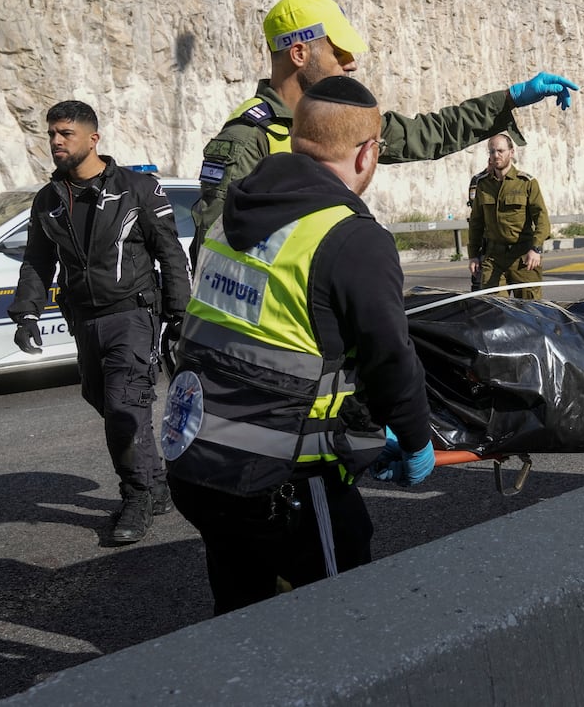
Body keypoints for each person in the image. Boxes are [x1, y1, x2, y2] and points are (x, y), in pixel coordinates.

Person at [161, 76, 435, 614]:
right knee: (332, 628)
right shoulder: (350, 236)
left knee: (242, 614)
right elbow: (391, 359)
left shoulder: (230, 214)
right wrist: (414, 436)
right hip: (284, 484)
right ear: (367, 153)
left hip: (198, 463)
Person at [189, 0, 578, 265]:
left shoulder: (344, 121)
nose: (352, 64)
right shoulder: (247, 138)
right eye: (338, 52)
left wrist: (509, 99)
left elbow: (431, 134)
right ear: (299, 53)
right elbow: (214, 254)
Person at [9, 101, 190, 543]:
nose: (55, 142)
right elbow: (36, 261)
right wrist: (26, 312)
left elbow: (169, 253)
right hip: (83, 319)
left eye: (65, 133)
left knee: (125, 406)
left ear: (93, 139)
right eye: (51, 133)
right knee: (104, 401)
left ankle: (136, 496)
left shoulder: (137, 188)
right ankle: (156, 480)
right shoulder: (49, 199)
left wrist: (180, 314)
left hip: (132, 314)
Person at [467, 133, 550, 299]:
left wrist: (536, 248)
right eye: (491, 152)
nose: (496, 155)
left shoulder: (526, 183)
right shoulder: (482, 185)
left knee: (529, 312)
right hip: (493, 258)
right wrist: (473, 255)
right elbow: (476, 222)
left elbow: (542, 219)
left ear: (511, 152)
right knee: (495, 310)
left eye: (500, 151)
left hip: (523, 258)